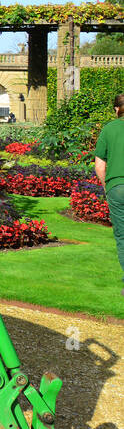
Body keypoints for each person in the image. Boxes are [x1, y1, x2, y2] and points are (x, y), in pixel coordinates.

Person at [93, 93, 124, 297]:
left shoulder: (109, 129)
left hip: (118, 187)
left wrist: (107, 187)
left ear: (116, 109)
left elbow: (100, 165)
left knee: (122, 236)